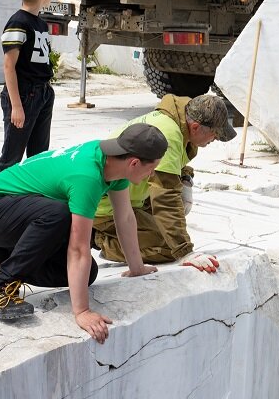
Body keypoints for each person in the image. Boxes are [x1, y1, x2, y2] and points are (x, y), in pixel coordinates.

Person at [0, 123, 168, 343]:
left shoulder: (115, 163)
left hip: (16, 215)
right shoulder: (88, 176)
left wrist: (137, 269)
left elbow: (125, 217)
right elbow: (78, 248)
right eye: (152, 168)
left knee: (86, 274)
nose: (152, 174)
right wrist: (82, 312)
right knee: (60, 215)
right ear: (134, 163)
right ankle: (0, 288)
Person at [93, 94, 237, 271]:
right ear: (196, 127)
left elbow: (172, 166)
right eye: (214, 135)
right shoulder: (170, 135)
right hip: (105, 207)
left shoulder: (175, 120)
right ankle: (98, 238)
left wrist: (185, 177)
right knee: (168, 248)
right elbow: (165, 199)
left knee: (170, 232)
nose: (214, 140)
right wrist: (185, 252)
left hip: (130, 198)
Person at [0, 0, 54, 173]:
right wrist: (16, 106)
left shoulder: (41, 23)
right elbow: (8, 66)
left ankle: (31, 200)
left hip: (43, 92)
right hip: (24, 95)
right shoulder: (18, 23)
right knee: (11, 157)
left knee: (39, 156)